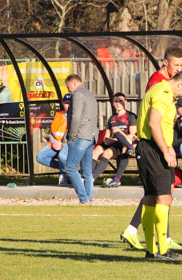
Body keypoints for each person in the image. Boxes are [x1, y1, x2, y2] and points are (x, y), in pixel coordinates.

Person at [120, 47, 182, 250]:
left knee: (160, 192)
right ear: (165, 62)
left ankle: (146, 237)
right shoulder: (160, 84)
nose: (178, 69)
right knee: (162, 193)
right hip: (155, 145)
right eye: (176, 65)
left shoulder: (166, 86)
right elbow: (154, 120)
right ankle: (160, 242)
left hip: (156, 144)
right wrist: (166, 148)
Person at [136, 70, 182, 260]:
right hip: (154, 149)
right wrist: (164, 150)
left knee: (151, 197)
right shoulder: (163, 94)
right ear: (180, 85)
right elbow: (155, 124)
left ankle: (151, 251)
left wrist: (168, 147)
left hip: (148, 148)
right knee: (164, 197)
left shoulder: (157, 88)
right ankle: (163, 250)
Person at [64, 74, 99, 205]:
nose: (69, 90)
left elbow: (76, 117)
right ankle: (88, 199)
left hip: (81, 135)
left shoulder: (78, 94)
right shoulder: (90, 94)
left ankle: (84, 199)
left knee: (70, 168)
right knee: (87, 172)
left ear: (73, 83)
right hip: (91, 135)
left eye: (68, 87)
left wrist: (71, 135)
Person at [92, 92, 137, 188]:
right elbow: (106, 137)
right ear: (113, 103)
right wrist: (112, 139)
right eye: (116, 101)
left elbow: (132, 135)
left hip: (126, 143)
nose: (118, 103)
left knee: (116, 134)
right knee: (96, 151)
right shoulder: (112, 118)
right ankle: (89, 178)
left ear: (125, 102)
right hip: (114, 143)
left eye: (120, 101)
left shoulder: (131, 116)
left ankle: (116, 179)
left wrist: (119, 136)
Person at [36, 93, 72, 185]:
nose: (68, 105)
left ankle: (64, 174)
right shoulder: (58, 115)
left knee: (62, 157)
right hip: (55, 143)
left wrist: (61, 143)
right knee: (40, 157)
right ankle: (64, 169)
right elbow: (52, 132)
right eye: (66, 103)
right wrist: (54, 142)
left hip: (67, 143)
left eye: (70, 103)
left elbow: (72, 134)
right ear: (62, 103)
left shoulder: (75, 116)